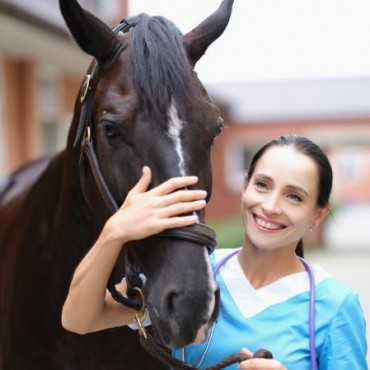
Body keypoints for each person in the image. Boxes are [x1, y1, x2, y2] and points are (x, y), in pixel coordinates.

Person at [62, 134, 368, 370]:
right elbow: (80, 318)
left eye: (294, 196)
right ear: (245, 186)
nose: (271, 206)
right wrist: (113, 233)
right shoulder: (192, 272)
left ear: (318, 215)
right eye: (262, 185)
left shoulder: (335, 305)